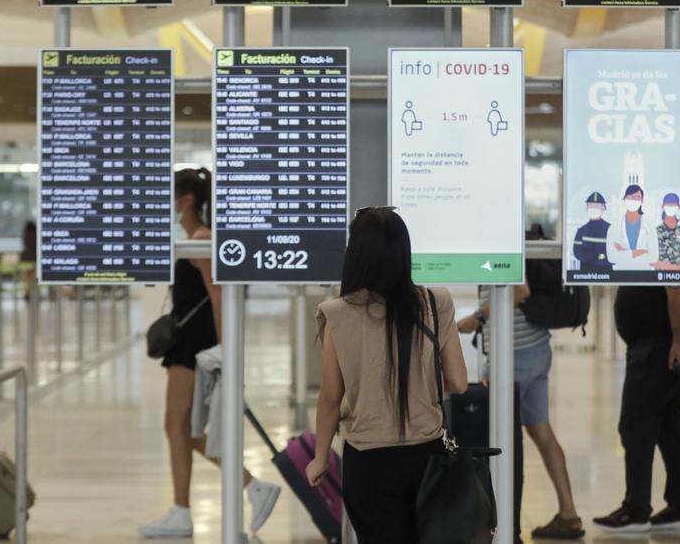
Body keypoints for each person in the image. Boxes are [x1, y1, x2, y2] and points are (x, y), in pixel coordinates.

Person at [306, 207, 468, 543]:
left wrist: (320, 458)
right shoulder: (435, 302)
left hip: (368, 463)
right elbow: (457, 381)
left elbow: (331, 398)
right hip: (428, 455)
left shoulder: (337, 313)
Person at [139, 168, 280, 539]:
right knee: (183, 430)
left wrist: (225, 348)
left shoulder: (202, 238)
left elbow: (219, 295)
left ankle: (187, 509)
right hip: (191, 345)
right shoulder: (193, 238)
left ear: (185, 200)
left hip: (194, 347)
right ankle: (248, 487)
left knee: (178, 427)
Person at [457, 284, 585, 539]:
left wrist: (478, 317)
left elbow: (521, 290)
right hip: (535, 346)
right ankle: (568, 514)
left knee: (502, 436)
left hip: (513, 352)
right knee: (540, 430)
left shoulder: (506, 243)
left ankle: (505, 525)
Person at [594, 284, 680, 532]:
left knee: (635, 427)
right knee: (669, 430)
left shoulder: (667, 244)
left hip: (660, 347)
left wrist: (679, 342)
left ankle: (636, 509)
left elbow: (676, 290)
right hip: (652, 346)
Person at [608, 185, 657, 271]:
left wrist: (624, 252)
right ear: (624, 199)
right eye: (630, 197)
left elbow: (653, 257)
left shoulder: (650, 228)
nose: (633, 200)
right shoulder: (613, 228)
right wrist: (642, 251)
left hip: (644, 277)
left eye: (637, 197)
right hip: (621, 275)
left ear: (642, 201)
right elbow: (612, 257)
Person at [572, 192, 612, 273]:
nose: (594, 208)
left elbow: (613, 252)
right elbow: (577, 252)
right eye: (591, 205)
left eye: (597, 205)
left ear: (603, 208)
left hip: (606, 274)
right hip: (585, 274)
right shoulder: (581, 231)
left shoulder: (610, 229)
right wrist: (596, 256)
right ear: (586, 208)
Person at [653, 193, 680, 271]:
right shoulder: (656, 232)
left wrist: (667, 266)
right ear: (663, 206)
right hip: (660, 278)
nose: (670, 207)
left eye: (673, 204)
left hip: (678, 278)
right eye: (668, 204)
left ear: (679, 207)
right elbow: (654, 261)